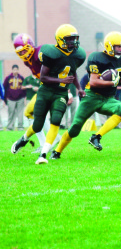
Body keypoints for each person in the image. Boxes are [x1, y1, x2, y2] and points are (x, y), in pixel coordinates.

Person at [50, 31, 121, 159]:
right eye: (118, 47)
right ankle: (57, 151)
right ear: (109, 46)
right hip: (91, 97)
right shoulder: (97, 57)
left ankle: (96, 137)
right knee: (75, 127)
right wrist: (112, 83)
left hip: (108, 98)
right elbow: (93, 82)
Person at [11, 24, 86, 165]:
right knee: (34, 120)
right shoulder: (43, 55)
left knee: (55, 119)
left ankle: (44, 151)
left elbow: (70, 71)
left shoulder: (70, 54)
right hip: (46, 89)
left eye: (73, 39)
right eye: (69, 39)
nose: (72, 42)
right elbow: (44, 76)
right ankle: (25, 139)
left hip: (60, 91)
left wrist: (75, 89)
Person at [12, 33, 61, 153]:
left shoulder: (41, 52)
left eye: (24, 51)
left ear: (30, 46)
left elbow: (59, 65)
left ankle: (50, 140)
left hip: (55, 87)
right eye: (20, 53)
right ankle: (47, 141)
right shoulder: (27, 61)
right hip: (46, 88)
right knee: (30, 113)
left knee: (31, 111)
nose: (23, 54)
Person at [3, 64, 26, 131]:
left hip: (20, 98)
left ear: (18, 70)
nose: (15, 71)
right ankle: (10, 127)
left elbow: (24, 88)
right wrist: (5, 99)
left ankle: (20, 127)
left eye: (16, 69)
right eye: (14, 69)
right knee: (11, 113)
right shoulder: (8, 78)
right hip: (10, 99)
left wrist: (24, 97)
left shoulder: (21, 78)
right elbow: (4, 88)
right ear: (12, 70)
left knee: (20, 113)